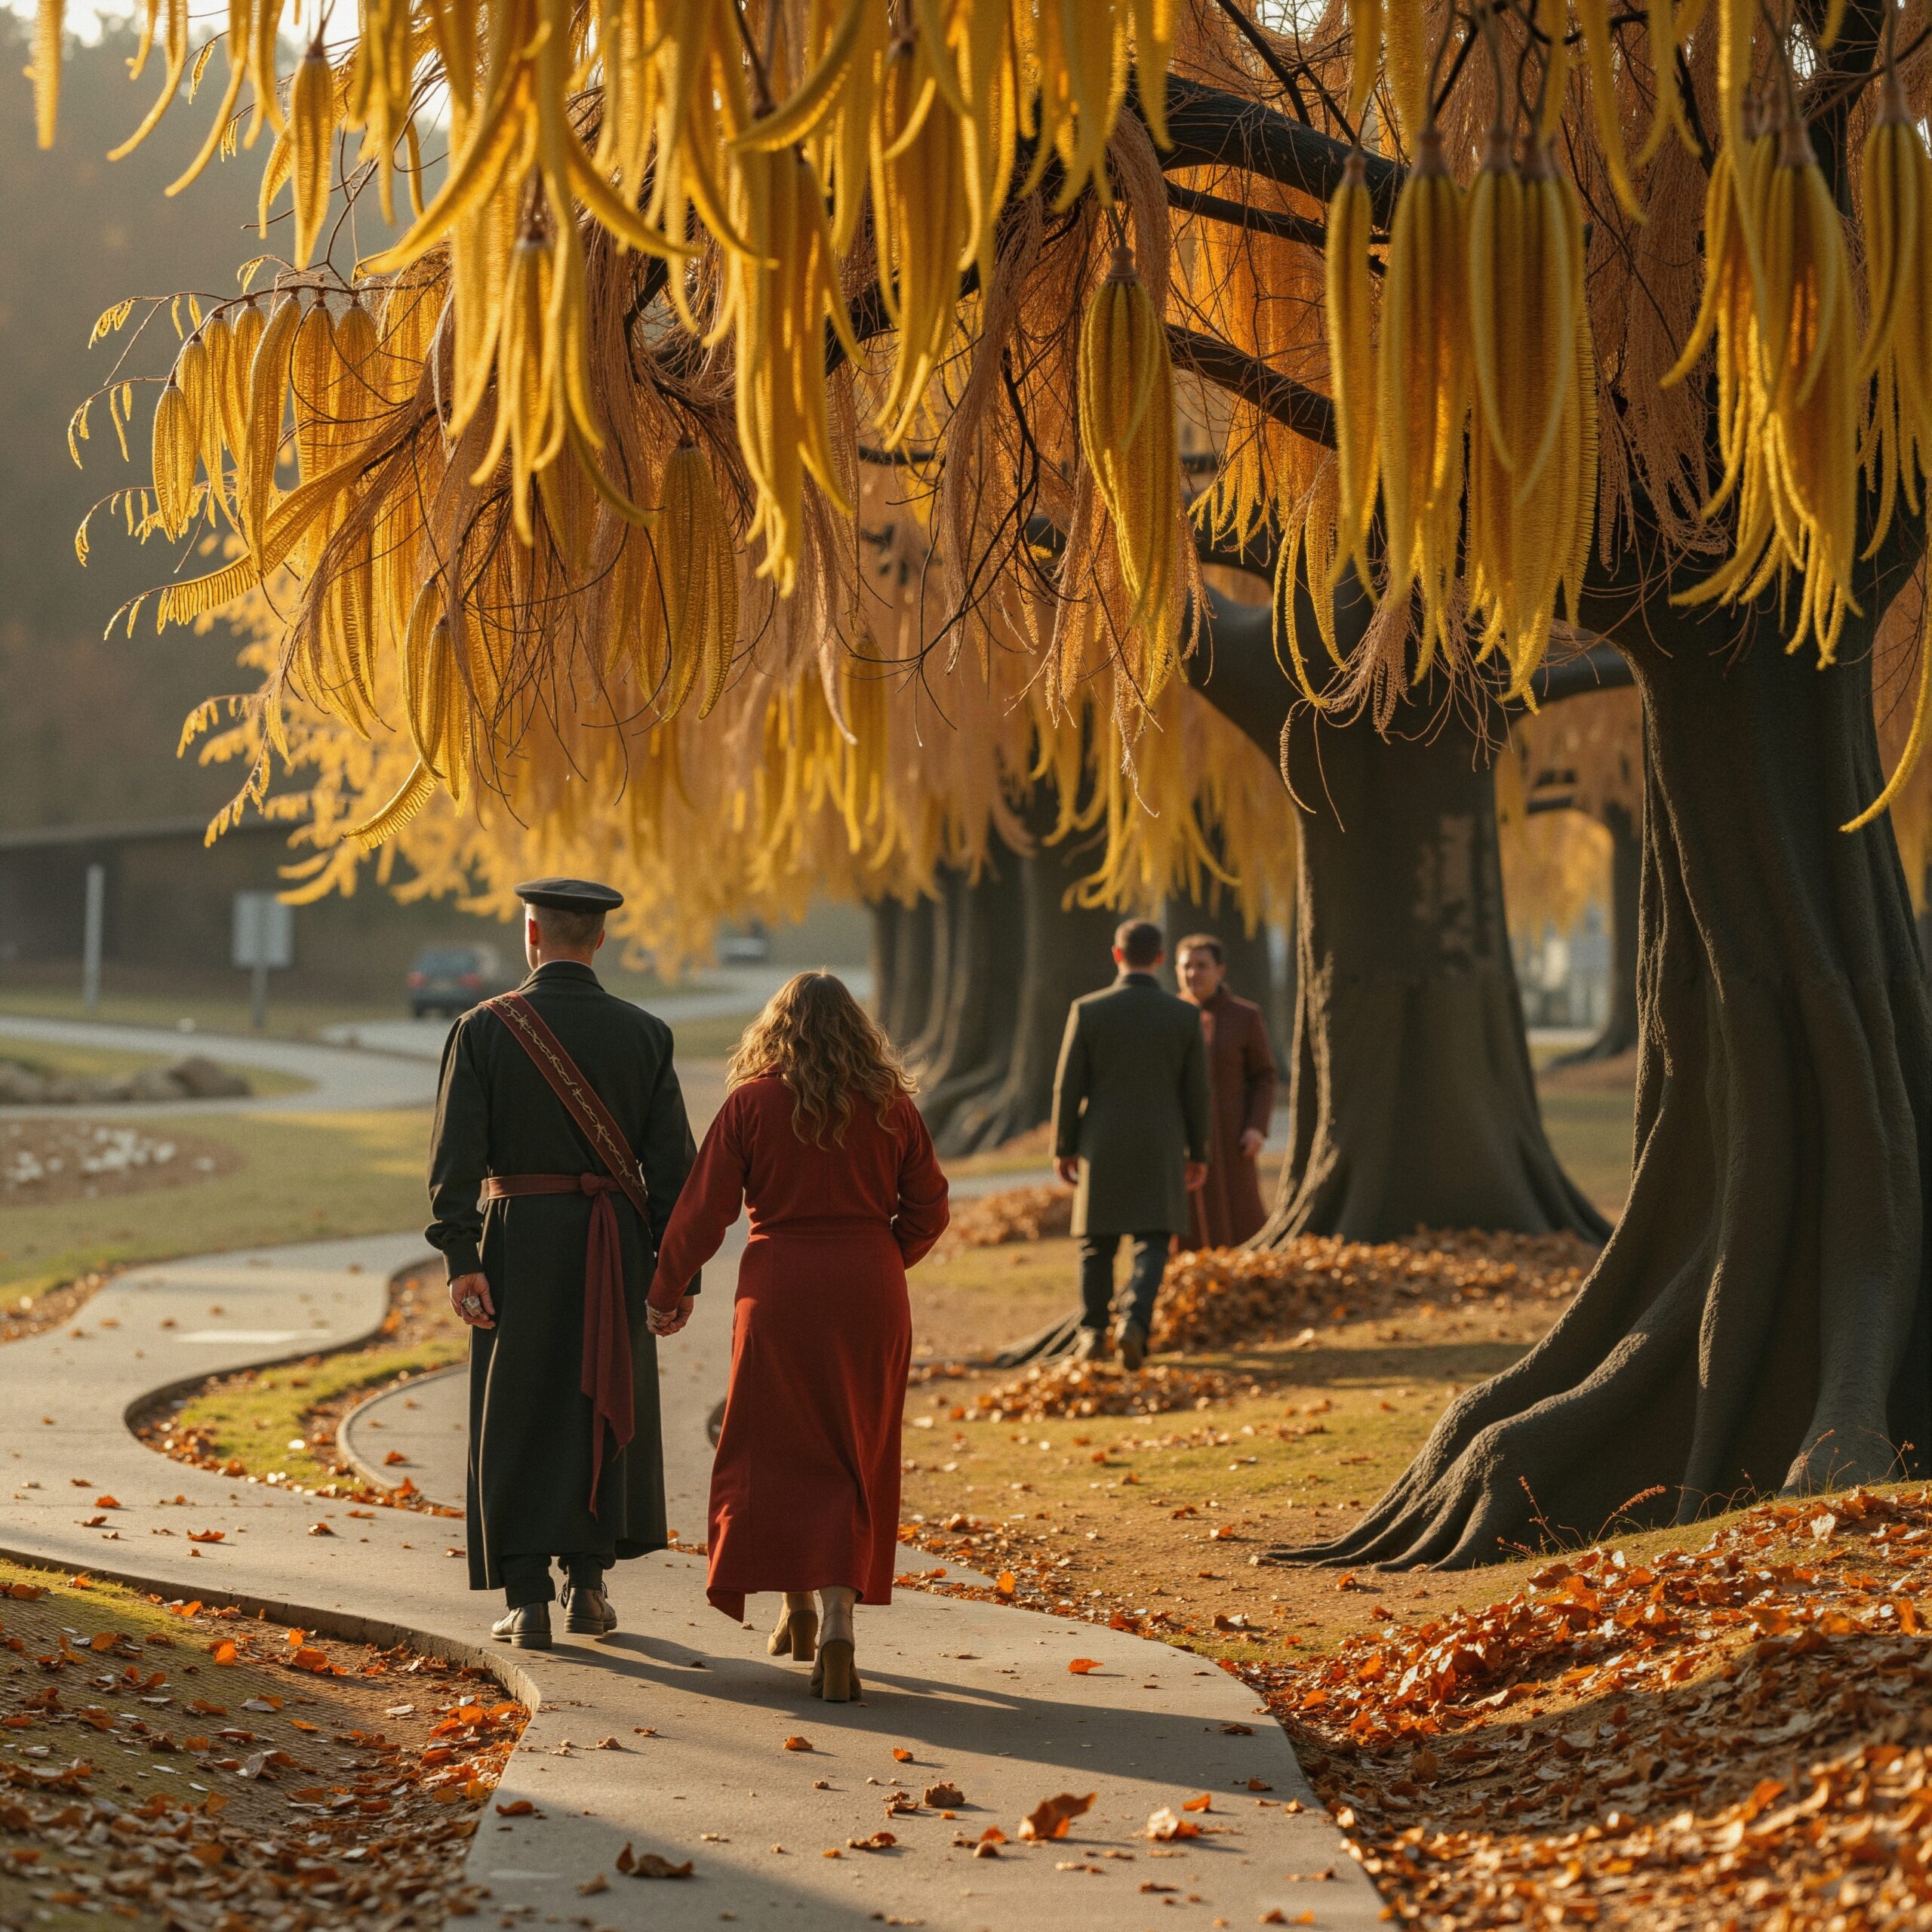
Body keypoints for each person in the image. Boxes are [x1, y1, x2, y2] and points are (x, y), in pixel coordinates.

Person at [645, 973, 949, 1703]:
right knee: (855, 1449)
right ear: (858, 1031)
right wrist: (880, 1261)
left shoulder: (751, 1103)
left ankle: (796, 1604)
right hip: (871, 1290)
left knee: (772, 1447)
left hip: (778, 1287)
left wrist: (666, 1293)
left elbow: (701, 1212)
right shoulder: (893, 1108)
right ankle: (835, 1619)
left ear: (774, 1031)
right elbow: (930, 1209)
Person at [426, 878, 697, 1651]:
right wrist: (675, 1277)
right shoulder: (646, 1034)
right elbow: (675, 1172)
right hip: (616, 1242)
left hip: (519, 1237)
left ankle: (527, 1598)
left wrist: (461, 1255)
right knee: (595, 1398)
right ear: (600, 939)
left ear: (532, 935)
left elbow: (455, 1159)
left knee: (517, 1410)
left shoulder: (482, 1029)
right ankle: (588, 1583)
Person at [1051, 918, 1212, 1370]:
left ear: (1117, 955)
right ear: (1161, 959)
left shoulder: (1088, 1010)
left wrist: (1064, 1146)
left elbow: (1068, 1087)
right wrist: (1198, 1151)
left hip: (1100, 1141)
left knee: (1096, 1245)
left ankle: (1092, 1332)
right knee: (1154, 1239)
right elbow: (1198, 1091)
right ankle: (1136, 1322)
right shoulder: (1183, 1015)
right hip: (1162, 1140)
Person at [1175, 934, 1278, 1248]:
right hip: (1183, 1136)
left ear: (1220, 971)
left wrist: (1256, 1127)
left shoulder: (1245, 1016)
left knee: (1242, 1214)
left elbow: (1265, 1075)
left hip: (1233, 1134)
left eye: (1202, 966)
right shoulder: (1168, 1015)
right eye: (1187, 966)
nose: (1194, 974)